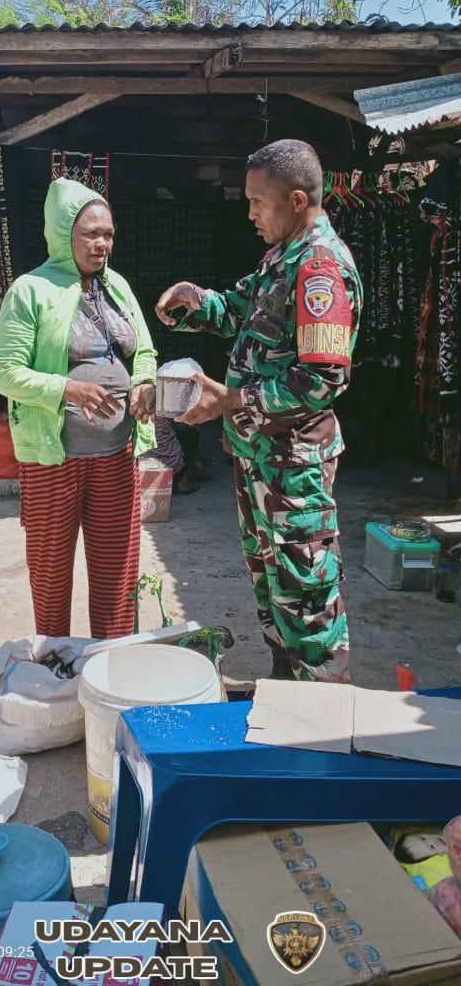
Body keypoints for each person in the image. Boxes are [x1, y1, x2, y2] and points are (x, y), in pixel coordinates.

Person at [156, 140, 363, 683]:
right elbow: (237, 312)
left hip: (293, 466)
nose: (249, 212)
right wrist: (195, 299)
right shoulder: (282, 257)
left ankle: (322, 721)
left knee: (307, 595)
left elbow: (323, 379)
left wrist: (231, 400)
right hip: (258, 459)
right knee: (273, 587)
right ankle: (285, 699)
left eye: (257, 201)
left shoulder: (320, 270)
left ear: (296, 200)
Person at [0, 178, 157, 639]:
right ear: (63, 234)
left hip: (116, 455)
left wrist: (143, 381)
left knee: (117, 573)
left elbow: (144, 349)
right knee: (51, 572)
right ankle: (54, 661)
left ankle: (111, 666)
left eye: (108, 234)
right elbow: (4, 373)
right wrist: (70, 390)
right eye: (91, 234)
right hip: (54, 459)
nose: (102, 244)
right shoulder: (30, 291)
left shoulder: (118, 287)